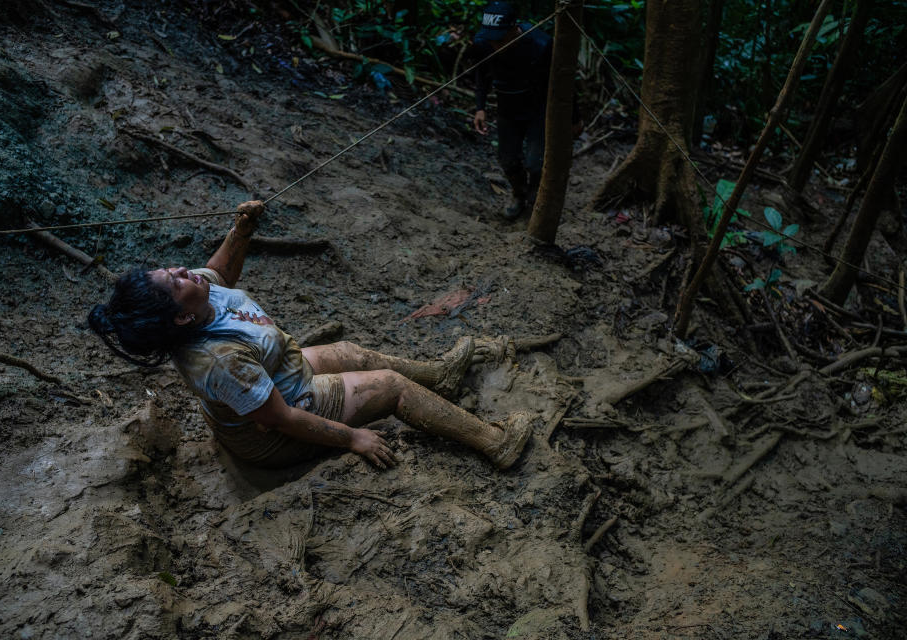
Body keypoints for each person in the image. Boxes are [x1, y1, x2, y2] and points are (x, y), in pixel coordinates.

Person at [88, 201, 533, 470]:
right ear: (180, 319)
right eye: (175, 281)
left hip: (283, 370)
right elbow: (276, 419)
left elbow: (220, 270)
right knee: (392, 387)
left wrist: (241, 231)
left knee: (349, 351)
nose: (182, 270)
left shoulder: (199, 295)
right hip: (276, 431)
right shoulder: (219, 359)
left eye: (171, 269)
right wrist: (352, 438)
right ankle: (496, 443)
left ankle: (441, 375)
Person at [472, 1, 583, 220]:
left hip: (538, 110)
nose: (496, 45)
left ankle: (535, 195)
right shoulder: (483, 43)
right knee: (508, 159)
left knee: (536, 162)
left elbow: (563, 82)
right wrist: (480, 108)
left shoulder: (541, 45)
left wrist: (575, 117)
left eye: (501, 39)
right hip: (507, 109)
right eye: (492, 40)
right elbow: (481, 75)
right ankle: (518, 193)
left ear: (515, 29)